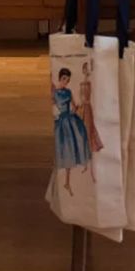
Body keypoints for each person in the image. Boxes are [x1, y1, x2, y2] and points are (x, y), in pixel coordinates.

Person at [52, 68, 90, 197]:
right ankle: (62, 182)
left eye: (67, 80)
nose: (65, 83)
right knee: (65, 149)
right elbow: (52, 106)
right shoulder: (54, 93)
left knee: (74, 145)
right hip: (61, 122)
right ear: (59, 78)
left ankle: (67, 182)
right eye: (64, 79)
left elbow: (73, 107)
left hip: (70, 119)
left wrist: (77, 107)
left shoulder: (68, 91)